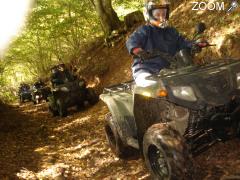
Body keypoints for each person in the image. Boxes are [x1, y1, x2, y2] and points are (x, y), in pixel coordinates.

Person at [126, 0, 203, 87]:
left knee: (196, 81)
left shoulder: (171, 31)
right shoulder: (145, 30)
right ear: (148, 15)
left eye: (163, 14)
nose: (161, 17)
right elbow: (131, 41)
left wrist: (194, 44)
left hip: (171, 70)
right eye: (157, 14)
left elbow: (182, 42)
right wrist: (138, 50)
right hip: (146, 69)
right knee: (151, 86)